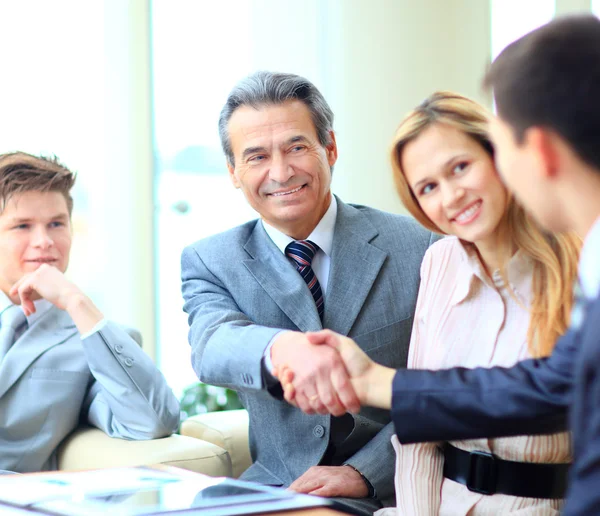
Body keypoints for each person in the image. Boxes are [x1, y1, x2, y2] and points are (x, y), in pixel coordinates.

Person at [279, 14, 600, 516]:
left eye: (461, 167)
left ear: (511, 155)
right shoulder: (440, 262)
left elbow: (546, 392)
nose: (450, 196)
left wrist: (373, 382)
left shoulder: (580, 261)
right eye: (427, 187)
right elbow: (427, 434)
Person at [180, 71, 437, 515]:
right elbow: (212, 345)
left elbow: (446, 385)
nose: (280, 172)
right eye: (256, 156)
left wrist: (363, 472)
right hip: (277, 489)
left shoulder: (421, 245)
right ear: (234, 173)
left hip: (393, 487)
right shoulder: (211, 260)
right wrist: (282, 347)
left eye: (297, 147)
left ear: (329, 148)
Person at [0, 152, 179, 474]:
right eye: (22, 226)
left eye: (56, 224)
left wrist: (75, 301)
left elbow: (152, 422)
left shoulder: (93, 338)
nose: (44, 242)